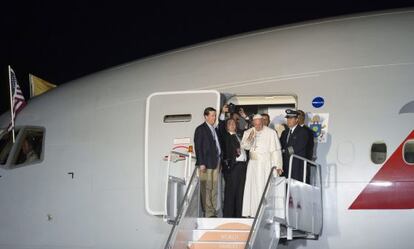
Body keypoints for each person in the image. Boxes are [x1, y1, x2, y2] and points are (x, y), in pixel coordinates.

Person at [241, 114, 283, 217]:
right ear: (253, 124)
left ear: (263, 122)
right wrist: (250, 138)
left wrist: (278, 166)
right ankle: (252, 212)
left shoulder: (271, 133)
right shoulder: (248, 132)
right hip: (252, 165)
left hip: (265, 164)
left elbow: (276, 151)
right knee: (251, 189)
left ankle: (263, 212)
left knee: (262, 187)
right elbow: (244, 146)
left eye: (259, 124)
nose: (258, 127)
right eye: (256, 125)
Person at [194, 107, 222, 217]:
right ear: (206, 116)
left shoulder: (214, 129)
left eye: (215, 115)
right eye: (212, 115)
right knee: (206, 188)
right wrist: (201, 163)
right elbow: (198, 147)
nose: (214, 118)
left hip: (215, 162)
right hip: (205, 164)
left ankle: (213, 211)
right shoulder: (200, 129)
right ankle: (208, 212)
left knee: (214, 189)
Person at [222, 118, 247, 218]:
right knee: (231, 193)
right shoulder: (226, 137)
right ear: (226, 126)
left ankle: (239, 215)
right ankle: (229, 216)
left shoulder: (239, 136)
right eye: (229, 123)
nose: (232, 125)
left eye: (233, 123)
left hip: (242, 167)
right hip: (233, 167)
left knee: (240, 192)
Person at [280, 109, 309, 182]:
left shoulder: (303, 132)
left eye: (291, 118)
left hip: (296, 165)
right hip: (285, 165)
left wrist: (284, 151)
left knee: (296, 188)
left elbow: (297, 147)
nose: (288, 120)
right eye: (288, 118)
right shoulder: (285, 132)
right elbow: (281, 144)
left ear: (297, 120)